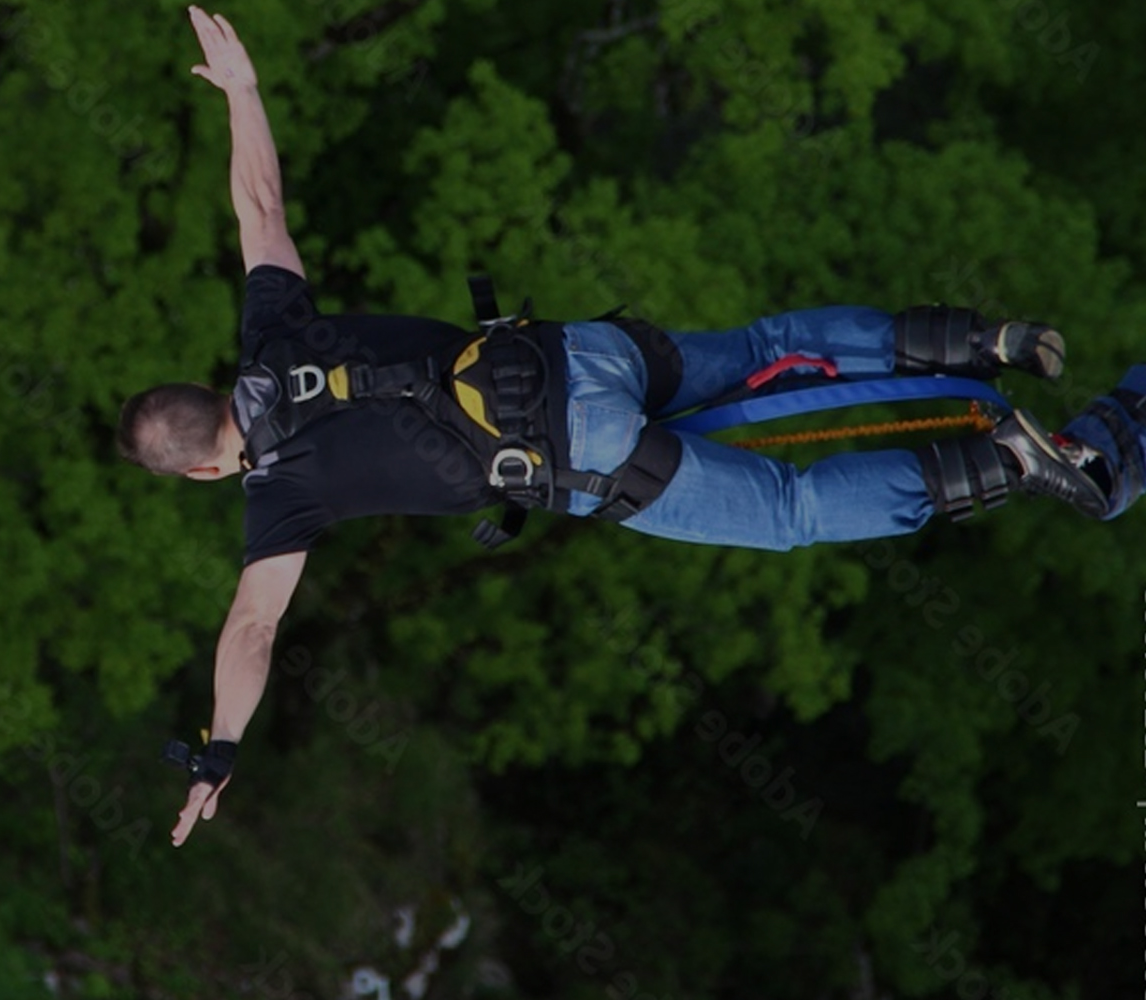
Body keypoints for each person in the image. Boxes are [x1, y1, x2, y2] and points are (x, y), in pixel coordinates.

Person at [132, 6, 1146, 847]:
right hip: (572, 355)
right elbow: (259, 209)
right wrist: (243, 91)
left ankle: (1003, 460)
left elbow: (253, 626)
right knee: (767, 345)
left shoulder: (279, 493)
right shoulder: (271, 331)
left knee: (789, 510)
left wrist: (221, 747)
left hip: (586, 452)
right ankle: (981, 337)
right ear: (208, 388)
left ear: (202, 470)